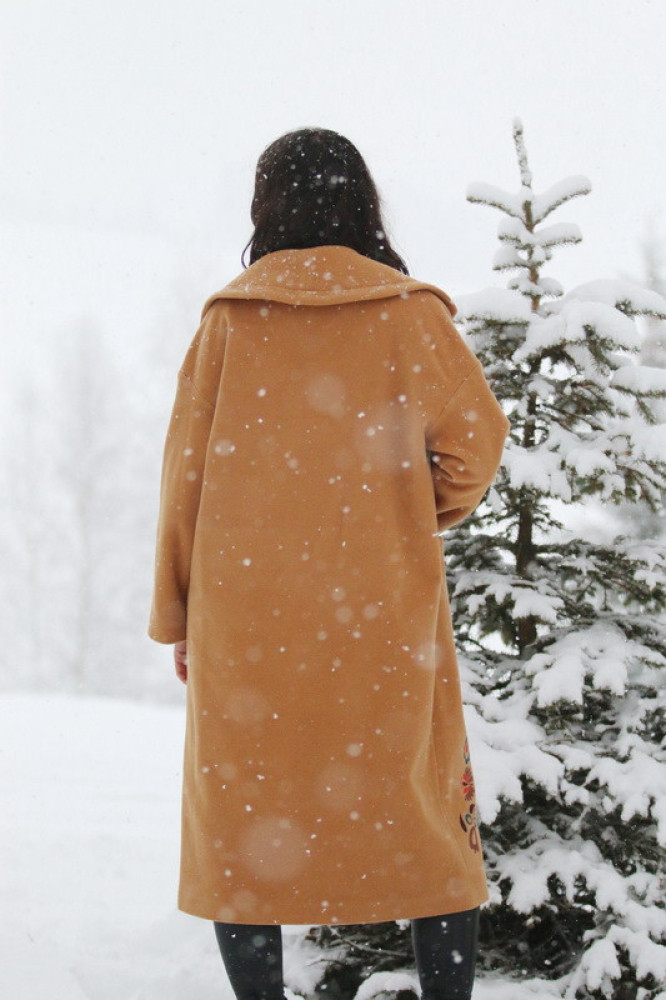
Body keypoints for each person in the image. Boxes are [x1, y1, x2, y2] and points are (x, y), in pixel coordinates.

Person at [149, 127, 510, 1000]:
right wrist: (409, 516)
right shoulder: (411, 315)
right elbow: (478, 444)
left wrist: (179, 616)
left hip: (247, 623)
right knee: (424, 819)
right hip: (383, 616)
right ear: (363, 203)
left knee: (245, 824)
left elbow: (183, 481)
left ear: (265, 206)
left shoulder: (231, 322)